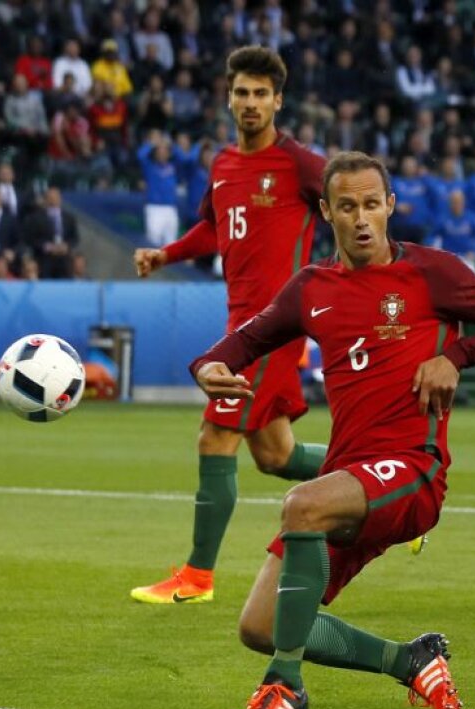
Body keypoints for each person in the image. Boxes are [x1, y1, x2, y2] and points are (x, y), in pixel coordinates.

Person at [190, 150, 475, 709]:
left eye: (373, 204)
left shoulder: (431, 272)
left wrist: (455, 356)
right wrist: (207, 365)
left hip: (413, 469)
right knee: (260, 625)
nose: (362, 218)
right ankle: (411, 660)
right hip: (350, 477)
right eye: (347, 206)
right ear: (327, 211)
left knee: (302, 504)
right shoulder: (311, 288)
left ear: (390, 205)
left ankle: (283, 689)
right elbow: (246, 339)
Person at [131, 47, 329, 605]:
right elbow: (213, 227)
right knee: (276, 457)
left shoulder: (301, 165)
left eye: (261, 94)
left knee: (215, 435)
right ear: (228, 97)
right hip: (241, 323)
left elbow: (356, 210)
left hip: (273, 326)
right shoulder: (223, 164)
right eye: (242, 92)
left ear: (278, 101)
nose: (250, 102)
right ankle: (385, 483)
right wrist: (164, 255)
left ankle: (197, 577)